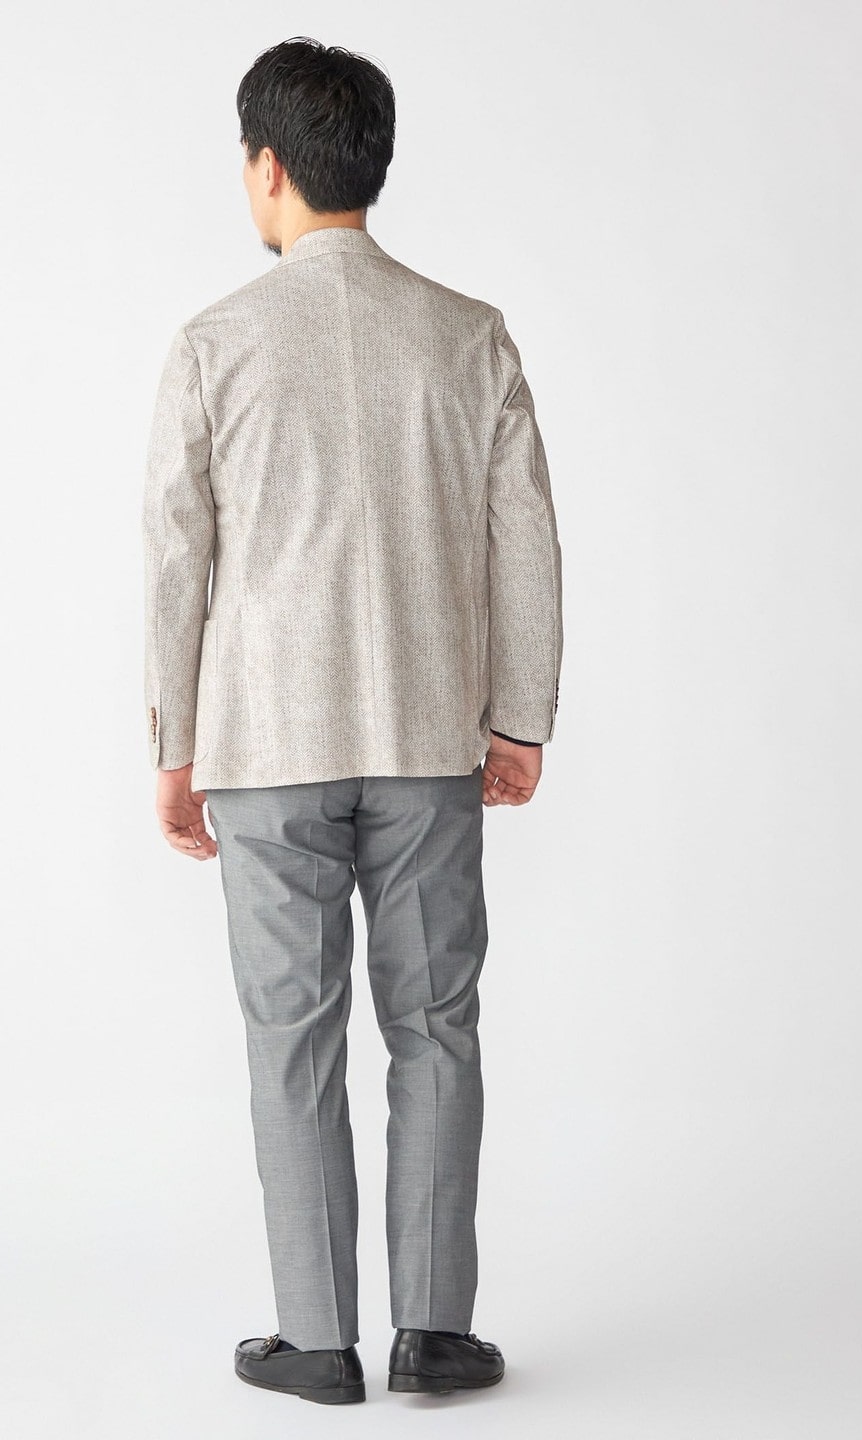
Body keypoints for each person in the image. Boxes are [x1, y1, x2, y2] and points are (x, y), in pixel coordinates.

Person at [143, 36, 563, 1406]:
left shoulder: (214, 344)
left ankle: (316, 1341)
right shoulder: (467, 335)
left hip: (266, 747)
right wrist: (521, 716)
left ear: (268, 167)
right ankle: (434, 1333)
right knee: (437, 1026)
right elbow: (524, 538)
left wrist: (173, 748)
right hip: (432, 739)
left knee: (293, 1037)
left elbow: (177, 561)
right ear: (370, 164)